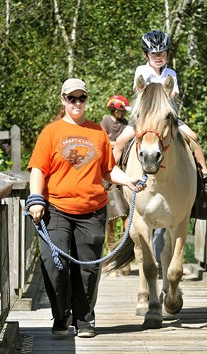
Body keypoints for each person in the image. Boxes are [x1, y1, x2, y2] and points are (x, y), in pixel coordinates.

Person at [27, 78, 146, 338]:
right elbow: (38, 169)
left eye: (81, 98)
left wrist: (128, 179)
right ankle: (61, 315)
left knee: (89, 268)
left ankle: (84, 318)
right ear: (63, 100)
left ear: (86, 101)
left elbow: (108, 169)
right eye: (72, 98)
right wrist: (36, 198)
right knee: (53, 265)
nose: (77, 103)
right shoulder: (51, 132)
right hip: (56, 208)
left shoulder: (97, 132)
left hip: (92, 211)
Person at [113, 30, 207, 192]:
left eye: (162, 53)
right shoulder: (141, 71)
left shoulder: (171, 74)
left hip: (165, 117)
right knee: (119, 142)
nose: (158, 57)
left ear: (167, 53)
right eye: (154, 54)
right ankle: (110, 173)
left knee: (193, 137)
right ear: (146, 55)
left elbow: (172, 95)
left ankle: (204, 173)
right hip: (145, 118)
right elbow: (140, 91)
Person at [100, 95, 130, 248]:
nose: (123, 114)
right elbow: (102, 140)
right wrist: (115, 143)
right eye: (120, 111)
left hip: (124, 158)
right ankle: (106, 182)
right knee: (110, 221)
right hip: (110, 156)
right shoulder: (106, 121)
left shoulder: (126, 124)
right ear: (114, 110)